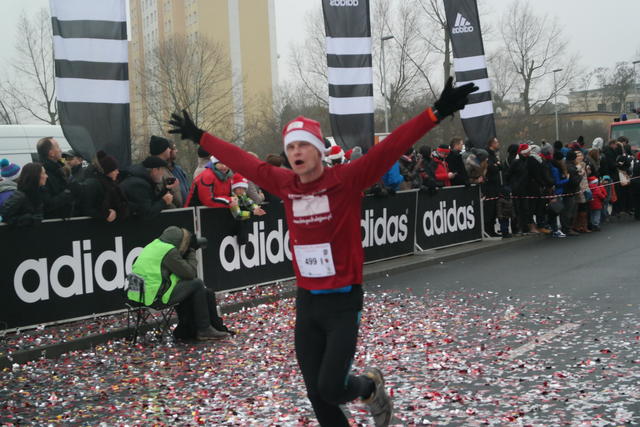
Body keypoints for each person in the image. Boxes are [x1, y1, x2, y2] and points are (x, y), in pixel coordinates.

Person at [169, 76, 478, 427]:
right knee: (317, 395)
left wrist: (435, 112)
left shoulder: (346, 179)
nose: (296, 152)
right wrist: (201, 136)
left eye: (303, 145)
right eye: (291, 147)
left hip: (343, 302)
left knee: (332, 388)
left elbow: (391, 147)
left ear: (318, 150)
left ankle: (370, 387)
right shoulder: (285, 184)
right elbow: (244, 162)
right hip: (308, 302)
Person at [127, 226, 231, 341]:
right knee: (197, 284)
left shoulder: (152, 245)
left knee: (184, 283)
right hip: (154, 298)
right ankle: (204, 329)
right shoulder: (169, 252)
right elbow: (190, 273)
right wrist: (191, 250)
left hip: (135, 296)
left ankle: (187, 327)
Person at [80, 151, 129, 222]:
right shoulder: (93, 184)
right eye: (114, 170)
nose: (118, 172)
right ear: (107, 171)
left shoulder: (112, 183)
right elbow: (87, 208)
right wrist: (106, 214)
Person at [36, 137, 74, 219]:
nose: (60, 150)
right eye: (57, 147)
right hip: (53, 221)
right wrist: (68, 192)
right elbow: (47, 204)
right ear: (51, 153)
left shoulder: (58, 167)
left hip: (64, 218)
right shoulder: (43, 174)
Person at [0, 162, 47, 227]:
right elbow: (4, 216)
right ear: (35, 176)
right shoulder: (19, 196)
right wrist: (29, 219)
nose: (46, 176)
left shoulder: (40, 192)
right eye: (43, 173)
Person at [229, 173, 267, 244]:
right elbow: (238, 215)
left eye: (244, 188)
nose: (242, 191)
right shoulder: (232, 198)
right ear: (234, 188)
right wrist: (252, 213)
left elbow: (249, 202)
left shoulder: (243, 195)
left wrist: (256, 208)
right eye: (239, 188)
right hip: (231, 226)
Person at [149, 135, 182, 208]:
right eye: (168, 148)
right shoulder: (156, 171)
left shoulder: (164, 168)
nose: (170, 150)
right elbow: (161, 197)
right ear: (162, 151)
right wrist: (176, 211)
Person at [483, 137, 502, 236]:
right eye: (496, 142)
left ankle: (492, 230)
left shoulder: (494, 154)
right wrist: (496, 165)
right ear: (492, 144)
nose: (498, 144)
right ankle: (488, 229)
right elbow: (491, 168)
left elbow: (500, 167)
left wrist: (497, 165)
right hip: (489, 186)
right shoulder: (487, 154)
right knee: (489, 209)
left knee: (495, 209)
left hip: (496, 185)